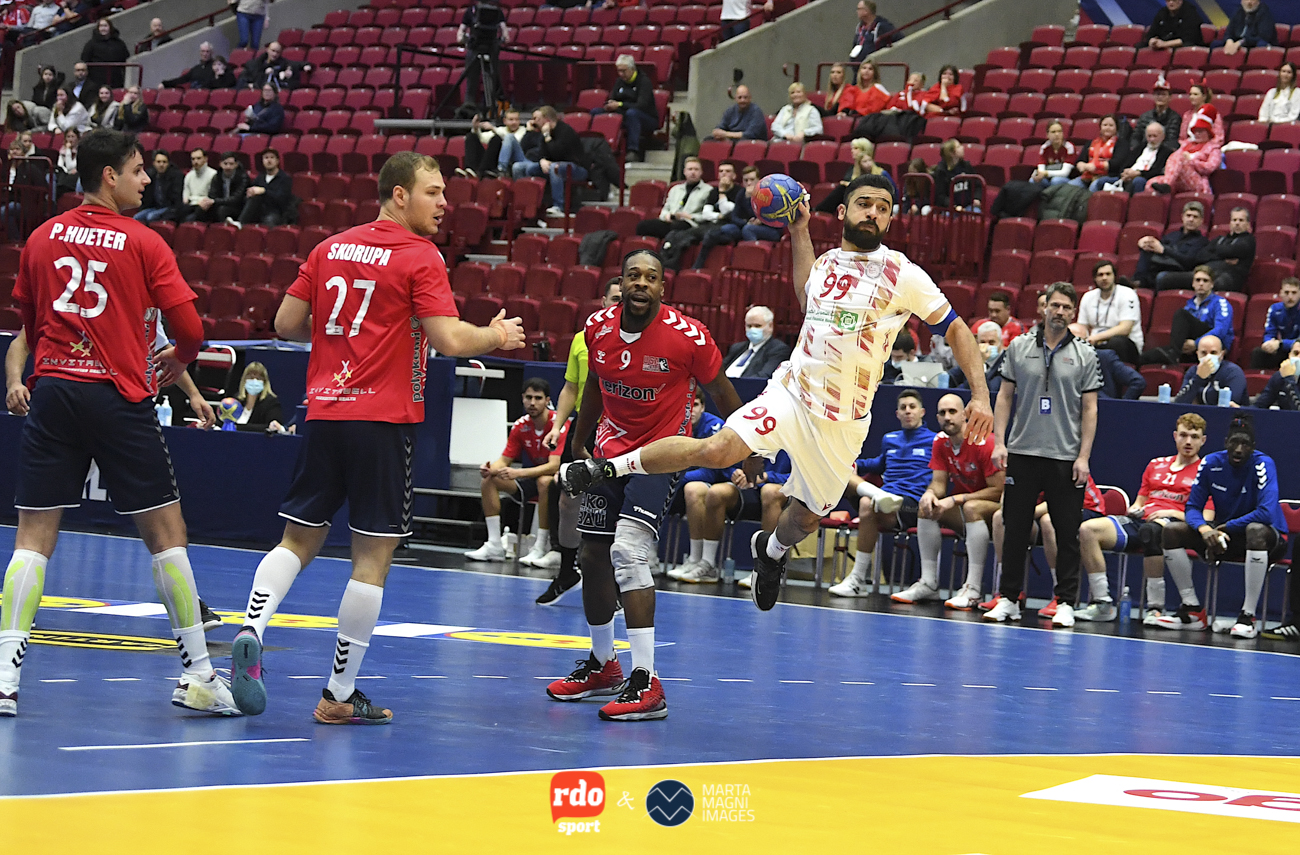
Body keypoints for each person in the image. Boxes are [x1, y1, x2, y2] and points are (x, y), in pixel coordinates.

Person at [558, 175, 994, 614]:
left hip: (843, 420)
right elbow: (807, 299)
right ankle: (604, 467)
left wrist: (980, 394)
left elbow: (957, 329)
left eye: (883, 208)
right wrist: (799, 229)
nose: (873, 213)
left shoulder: (903, 273)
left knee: (806, 517)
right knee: (718, 449)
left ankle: (770, 552)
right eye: (865, 204)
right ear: (843, 212)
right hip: (792, 393)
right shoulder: (826, 263)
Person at [226, 151, 526, 723]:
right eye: (433, 192)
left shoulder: (329, 248)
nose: (445, 203)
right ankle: (338, 695)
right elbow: (450, 339)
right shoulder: (420, 255)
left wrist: (347, 333)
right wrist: (496, 334)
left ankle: (252, 627)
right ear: (398, 195)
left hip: (324, 415)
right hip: (383, 422)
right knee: (372, 559)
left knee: (297, 540)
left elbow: (286, 324)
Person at [0, 127, 237, 719]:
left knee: (32, 539)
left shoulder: (41, 237)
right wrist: (180, 359)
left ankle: (4, 679)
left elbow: (30, 323)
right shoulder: (144, 241)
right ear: (109, 176)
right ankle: (199, 675)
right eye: (138, 170)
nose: (148, 179)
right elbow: (191, 331)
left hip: (55, 391)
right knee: (166, 535)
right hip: (117, 396)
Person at [545, 248, 743, 722]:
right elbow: (595, 387)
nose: (641, 283)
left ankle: (647, 681)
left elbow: (721, 390)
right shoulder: (597, 328)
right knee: (592, 555)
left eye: (650, 277)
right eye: (633, 275)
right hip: (609, 455)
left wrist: (747, 445)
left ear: (661, 287)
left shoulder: (688, 336)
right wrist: (578, 443)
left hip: (662, 455)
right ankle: (603, 664)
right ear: (621, 282)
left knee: (628, 552)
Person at [985, 282, 1102, 629]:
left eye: (1067, 307)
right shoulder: (1018, 347)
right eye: (1055, 305)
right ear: (1044, 307)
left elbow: (1090, 409)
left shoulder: (1085, 353)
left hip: (1065, 456)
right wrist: (999, 443)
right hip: (1022, 451)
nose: (1060, 312)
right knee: (1014, 527)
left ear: (1074, 312)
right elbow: (1004, 396)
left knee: (1066, 532)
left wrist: (1083, 457)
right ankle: (1009, 599)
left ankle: (1065, 601)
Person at [537, 277, 622, 606]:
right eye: (615, 298)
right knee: (567, 499)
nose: (619, 305)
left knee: (613, 506)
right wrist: (557, 426)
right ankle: (567, 570)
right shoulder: (581, 339)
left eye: (624, 299)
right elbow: (571, 387)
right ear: (603, 302)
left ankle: (615, 582)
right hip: (584, 429)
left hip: (619, 431)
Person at [1076, 413, 1208, 623]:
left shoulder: (1205, 472)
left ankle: (1155, 607)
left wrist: (1173, 513)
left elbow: (1206, 517)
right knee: (1087, 530)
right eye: (1183, 435)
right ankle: (1102, 603)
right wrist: (1135, 509)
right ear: (1175, 436)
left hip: (1174, 526)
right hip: (1143, 520)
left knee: (1151, 531)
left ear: (1203, 440)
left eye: (1194, 437)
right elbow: (1140, 501)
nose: (1188, 441)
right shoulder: (1156, 464)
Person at [1167, 414, 1287, 638]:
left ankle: (1247, 617)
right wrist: (1204, 529)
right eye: (1234, 443)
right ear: (1225, 443)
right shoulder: (1211, 463)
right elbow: (1192, 507)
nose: (1239, 449)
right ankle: (1192, 609)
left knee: (1255, 530)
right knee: (1171, 531)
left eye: (1245, 445)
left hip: (1268, 538)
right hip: (1227, 535)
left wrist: (1225, 527)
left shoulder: (1263, 464)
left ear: (1253, 446)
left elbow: (1266, 512)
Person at [899, 393, 1004, 608]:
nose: (947, 417)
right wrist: (930, 494)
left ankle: (973, 589)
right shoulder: (940, 442)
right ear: (937, 417)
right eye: (942, 413)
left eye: (952, 412)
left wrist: (956, 499)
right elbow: (938, 483)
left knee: (971, 507)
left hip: (995, 511)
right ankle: (928, 583)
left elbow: (998, 490)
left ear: (965, 415)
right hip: (964, 509)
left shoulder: (985, 442)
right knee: (927, 507)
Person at [828, 390, 936, 598]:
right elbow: (878, 464)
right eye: (903, 408)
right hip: (885, 497)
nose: (908, 411)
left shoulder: (934, 440)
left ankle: (857, 579)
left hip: (912, 503)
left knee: (867, 503)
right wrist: (852, 464)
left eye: (912, 407)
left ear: (922, 412)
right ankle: (879, 497)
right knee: (846, 475)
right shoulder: (890, 439)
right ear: (897, 414)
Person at [464, 378, 565, 564]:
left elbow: (554, 466)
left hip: (557, 482)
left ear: (547, 400)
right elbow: (504, 460)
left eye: (538, 398)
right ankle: (494, 544)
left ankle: (540, 546)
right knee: (489, 480)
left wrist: (518, 473)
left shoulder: (558, 425)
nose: (532, 403)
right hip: (531, 479)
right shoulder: (520, 425)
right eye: (528, 397)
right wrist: (490, 469)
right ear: (522, 398)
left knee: (545, 481)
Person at [663, 388, 733, 583]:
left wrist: (673, 477)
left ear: (703, 407)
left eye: (695, 405)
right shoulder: (673, 424)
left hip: (720, 482)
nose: (690, 410)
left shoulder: (714, 427)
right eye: (687, 405)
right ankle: (648, 556)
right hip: (683, 482)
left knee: (693, 489)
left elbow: (711, 471)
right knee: (648, 483)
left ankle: (701, 561)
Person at [1144, 266, 1235, 365]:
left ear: (1212, 284)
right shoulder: (1189, 305)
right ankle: (1174, 353)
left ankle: (1174, 353)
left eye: (1205, 281)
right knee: (1148, 357)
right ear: (1193, 284)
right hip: (1192, 349)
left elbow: (1221, 330)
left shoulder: (1220, 303)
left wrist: (1196, 343)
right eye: (1198, 280)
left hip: (1213, 347)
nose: (1201, 284)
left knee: (1181, 314)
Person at [1156, 207, 1255, 293]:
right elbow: (1201, 256)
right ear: (1230, 222)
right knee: (1163, 278)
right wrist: (1222, 258)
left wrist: (1215, 252)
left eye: (1241, 220)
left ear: (1247, 224)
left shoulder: (1249, 240)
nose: (1237, 223)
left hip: (1228, 278)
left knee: (1215, 284)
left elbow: (1231, 251)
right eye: (1234, 220)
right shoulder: (1220, 239)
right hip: (1204, 273)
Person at [519, 106, 588, 217]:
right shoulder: (544, 132)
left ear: (547, 120)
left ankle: (558, 206)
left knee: (555, 167)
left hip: (576, 168)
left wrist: (547, 136)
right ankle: (534, 204)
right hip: (555, 165)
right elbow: (542, 152)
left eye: (538, 119)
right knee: (530, 169)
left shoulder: (565, 131)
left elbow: (559, 153)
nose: (534, 122)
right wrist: (542, 160)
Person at [1078, 260, 1143, 364]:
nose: (1104, 278)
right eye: (1100, 275)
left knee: (1116, 342)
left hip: (1125, 345)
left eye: (1108, 274)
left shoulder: (1127, 294)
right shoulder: (1088, 297)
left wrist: (1096, 338)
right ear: (1095, 278)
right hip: (1096, 343)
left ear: (1114, 276)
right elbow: (1082, 327)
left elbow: (1125, 328)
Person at [1134, 200, 1207, 291]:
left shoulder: (1201, 242)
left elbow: (1189, 262)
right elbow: (1157, 248)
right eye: (1188, 216)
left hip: (1178, 272)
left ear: (1201, 221)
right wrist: (1143, 244)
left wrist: (1164, 250)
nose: (1191, 219)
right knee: (1147, 251)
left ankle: (1141, 283)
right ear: (1182, 217)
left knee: (1160, 276)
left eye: (1195, 217)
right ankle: (1137, 282)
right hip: (1161, 266)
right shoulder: (1172, 235)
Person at [597, 54, 657, 161]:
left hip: (646, 117)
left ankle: (633, 151)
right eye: (619, 71)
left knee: (632, 113)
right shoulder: (619, 81)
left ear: (632, 69)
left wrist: (620, 105)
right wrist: (609, 105)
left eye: (623, 71)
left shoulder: (644, 81)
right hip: (623, 113)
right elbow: (613, 98)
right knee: (596, 112)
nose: (621, 74)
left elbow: (641, 105)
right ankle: (599, 147)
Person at [636, 155, 711, 239]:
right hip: (670, 221)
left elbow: (707, 215)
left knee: (677, 227)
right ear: (684, 172)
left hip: (690, 223)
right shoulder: (675, 189)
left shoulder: (708, 190)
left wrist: (690, 217)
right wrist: (666, 216)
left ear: (701, 172)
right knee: (643, 226)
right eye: (690, 169)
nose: (693, 172)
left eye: (696, 169)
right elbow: (665, 209)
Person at [1148, 112, 1219, 196]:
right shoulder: (1186, 144)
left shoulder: (1213, 149)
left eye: (1200, 131)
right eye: (1195, 131)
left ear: (1208, 133)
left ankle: (1167, 184)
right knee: (1150, 183)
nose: (1197, 134)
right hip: (1177, 179)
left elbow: (1210, 167)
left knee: (1179, 157)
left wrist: (1190, 161)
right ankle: (1163, 194)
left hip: (1198, 181)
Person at [816, 138, 894, 214]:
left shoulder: (881, 173)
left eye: (856, 148)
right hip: (857, 198)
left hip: (872, 198)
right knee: (842, 189)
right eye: (852, 148)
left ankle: (821, 209)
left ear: (864, 150)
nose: (852, 151)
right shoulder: (853, 169)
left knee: (842, 189)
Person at [1094, 121, 1173, 193]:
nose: (1152, 139)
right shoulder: (1139, 148)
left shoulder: (1167, 152)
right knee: (1101, 181)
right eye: (1149, 136)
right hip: (1127, 177)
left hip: (1145, 178)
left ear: (1163, 136)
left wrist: (1139, 173)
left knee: (1138, 181)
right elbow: (1125, 164)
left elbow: (1158, 171)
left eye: (1155, 136)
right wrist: (1125, 173)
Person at [1070, 324, 1146, 398]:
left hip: (1101, 404)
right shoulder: (1062, 361)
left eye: (1079, 341)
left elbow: (1137, 381)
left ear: (1089, 342)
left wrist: (1122, 405)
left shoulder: (1105, 358)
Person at [457, 0, 507, 110]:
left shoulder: (496, 12)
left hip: (489, 48)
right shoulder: (472, 11)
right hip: (479, 47)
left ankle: (490, 104)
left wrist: (462, 38)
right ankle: (470, 104)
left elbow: (504, 31)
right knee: (473, 76)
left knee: (490, 76)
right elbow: (505, 33)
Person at [1174, 333, 1247, 406]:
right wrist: (1199, 378)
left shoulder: (1233, 372)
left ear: (1222, 355)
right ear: (1197, 354)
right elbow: (1179, 403)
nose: (1208, 357)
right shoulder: (1193, 371)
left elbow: (1230, 405)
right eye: (1203, 353)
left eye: (1213, 353)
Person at [722, 306, 791, 379]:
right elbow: (719, 370)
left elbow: (763, 376)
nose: (752, 329)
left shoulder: (778, 350)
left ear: (770, 326)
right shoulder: (737, 347)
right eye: (749, 326)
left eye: (757, 326)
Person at [231, 148, 292, 227]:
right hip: (259, 210)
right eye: (266, 158)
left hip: (275, 211)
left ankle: (240, 223)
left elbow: (281, 199)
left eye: (272, 157)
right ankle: (239, 224)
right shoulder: (260, 177)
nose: (269, 160)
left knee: (270, 220)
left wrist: (264, 191)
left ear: (277, 161)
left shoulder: (285, 178)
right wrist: (250, 193)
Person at [946, 321, 1007, 397]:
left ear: (1001, 343)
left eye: (991, 342)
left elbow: (990, 392)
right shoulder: (971, 359)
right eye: (982, 342)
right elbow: (951, 378)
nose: (986, 346)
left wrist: (980, 364)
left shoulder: (1007, 363)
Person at [2, 137, 46, 240]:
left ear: (23, 152)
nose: (14, 152)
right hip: (5, 200)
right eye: (12, 149)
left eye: (17, 149)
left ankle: (16, 240)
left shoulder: (30, 168)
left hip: (23, 203)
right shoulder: (5, 168)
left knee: (5, 211)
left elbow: (43, 186)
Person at [1252, 277, 1300, 370]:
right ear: (1281, 293)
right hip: (1283, 348)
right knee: (1258, 353)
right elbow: (1269, 332)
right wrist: (1268, 343)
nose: (1290, 297)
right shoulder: (1275, 309)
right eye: (1286, 292)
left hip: (1297, 349)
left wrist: (1281, 344)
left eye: (1294, 293)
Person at [221, 361, 283, 431]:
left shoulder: (271, 402)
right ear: (244, 380)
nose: (254, 381)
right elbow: (223, 421)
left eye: (259, 378)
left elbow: (271, 427)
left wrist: (237, 427)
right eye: (251, 378)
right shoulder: (236, 400)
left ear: (265, 382)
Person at [193, 151, 248, 223]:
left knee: (222, 210)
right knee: (201, 208)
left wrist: (215, 201)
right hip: (220, 204)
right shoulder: (217, 177)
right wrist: (208, 202)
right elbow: (212, 195)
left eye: (231, 164)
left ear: (236, 165)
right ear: (220, 164)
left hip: (237, 207)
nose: (228, 167)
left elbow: (236, 199)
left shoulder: (243, 177)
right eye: (225, 164)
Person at [236, 42, 310, 91]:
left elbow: (295, 64)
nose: (275, 54)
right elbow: (242, 80)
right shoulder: (253, 64)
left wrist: (305, 66)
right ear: (268, 50)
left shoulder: (282, 62)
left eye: (277, 52)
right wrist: (249, 85)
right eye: (273, 51)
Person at [133, 150, 182, 223]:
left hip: (168, 208)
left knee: (151, 217)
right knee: (136, 217)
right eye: (158, 162)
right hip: (154, 207)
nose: (161, 164)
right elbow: (146, 198)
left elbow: (176, 200)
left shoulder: (175, 176)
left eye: (164, 162)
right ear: (154, 163)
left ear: (168, 163)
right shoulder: (150, 175)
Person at [1070, 114, 1118, 188]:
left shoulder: (1121, 143)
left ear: (1116, 128)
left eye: (1111, 125)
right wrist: (1083, 166)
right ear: (1100, 127)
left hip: (1108, 176)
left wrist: (1096, 166)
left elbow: (1116, 163)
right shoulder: (1091, 143)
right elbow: (1080, 161)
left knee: (1094, 185)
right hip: (1087, 175)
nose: (1107, 128)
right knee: (1071, 185)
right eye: (1105, 125)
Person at [1211, 0, 1276, 53]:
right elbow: (1229, 32)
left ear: (1258, 1)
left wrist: (1241, 42)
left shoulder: (1264, 13)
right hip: (1238, 42)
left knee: (1261, 44)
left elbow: (1263, 37)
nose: (1249, 2)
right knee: (1215, 44)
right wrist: (1229, 41)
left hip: (1252, 43)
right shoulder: (1238, 11)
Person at [81, 19, 129, 89]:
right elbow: (85, 59)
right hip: (96, 78)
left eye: (105, 26)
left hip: (116, 78)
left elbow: (125, 58)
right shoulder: (91, 44)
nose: (103, 28)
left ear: (110, 27)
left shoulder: (119, 43)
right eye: (101, 26)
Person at [771, 82, 823, 147]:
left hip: (801, 143)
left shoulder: (811, 110)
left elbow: (818, 129)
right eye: (792, 93)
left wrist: (804, 133)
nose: (795, 95)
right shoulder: (785, 109)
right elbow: (775, 126)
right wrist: (785, 135)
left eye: (798, 92)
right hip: (781, 140)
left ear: (804, 94)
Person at [931, 138, 977, 208]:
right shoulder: (941, 171)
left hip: (969, 206)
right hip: (949, 208)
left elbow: (977, 185)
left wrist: (977, 198)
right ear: (952, 153)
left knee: (976, 211)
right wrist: (953, 206)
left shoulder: (967, 166)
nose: (962, 147)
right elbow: (940, 196)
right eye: (959, 146)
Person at [1138, 75, 1183, 144]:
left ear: (1170, 97)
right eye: (1157, 94)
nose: (1160, 97)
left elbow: (1172, 140)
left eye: (1163, 94)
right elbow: (1136, 137)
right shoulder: (1144, 117)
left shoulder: (1175, 118)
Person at [175, 148, 216, 223]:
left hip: (204, 208)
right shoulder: (189, 175)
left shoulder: (213, 174)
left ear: (205, 159)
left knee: (191, 217)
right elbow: (186, 195)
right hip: (191, 205)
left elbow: (210, 198)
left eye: (198, 158)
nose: (195, 161)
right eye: (193, 159)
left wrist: (194, 199)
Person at [1032, 120, 1075, 187]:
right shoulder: (1044, 147)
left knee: (1056, 180)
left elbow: (1065, 173)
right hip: (1048, 177)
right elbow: (1041, 168)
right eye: (1053, 132)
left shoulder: (1069, 147)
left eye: (1059, 131)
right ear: (1047, 135)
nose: (1057, 134)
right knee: (1033, 180)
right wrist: (1039, 175)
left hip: (1065, 178)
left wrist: (1046, 173)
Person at [55, 128, 80, 194]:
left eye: (73, 137)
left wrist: (68, 150)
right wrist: (65, 171)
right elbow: (60, 165)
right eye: (68, 137)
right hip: (65, 173)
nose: (70, 139)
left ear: (77, 138)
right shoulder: (63, 150)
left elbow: (70, 166)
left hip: (75, 175)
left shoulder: (80, 151)